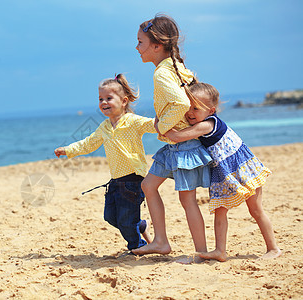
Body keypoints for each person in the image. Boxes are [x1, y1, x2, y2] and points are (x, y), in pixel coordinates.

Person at [164, 82, 282, 261]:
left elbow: (176, 136)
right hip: (223, 173)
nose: (190, 112)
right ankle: (220, 251)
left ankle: (273, 248)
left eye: (196, 108)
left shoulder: (207, 125)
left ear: (211, 111)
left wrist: (161, 123)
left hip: (242, 169)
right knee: (220, 210)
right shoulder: (203, 121)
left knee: (256, 210)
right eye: (188, 107)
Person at [132, 14, 213, 262]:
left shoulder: (162, 73)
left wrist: (163, 127)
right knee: (148, 186)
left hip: (182, 145)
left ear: (157, 46)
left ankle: (201, 252)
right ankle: (161, 241)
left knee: (187, 200)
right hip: (175, 146)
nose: (137, 47)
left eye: (140, 42)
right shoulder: (176, 67)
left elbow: (179, 101)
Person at [54, 74, 156, 251]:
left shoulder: (132, 121)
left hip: (133, 179)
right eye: (101, 99)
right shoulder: (105, 127)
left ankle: (137, 247)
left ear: (124, 101)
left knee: (125, 220)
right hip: (115, 180)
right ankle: (139, 226)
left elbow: (153, 125)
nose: (104, 102)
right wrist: (68, 150)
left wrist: (170, 121)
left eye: (109, 98)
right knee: (110, 216)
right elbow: (89, 143)